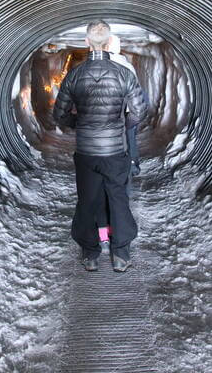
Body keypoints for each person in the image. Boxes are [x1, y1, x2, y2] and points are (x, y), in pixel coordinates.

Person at [53, 20, 147, 272]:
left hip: (86, 151)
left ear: (86, 43)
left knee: (87, 200)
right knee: (118, 198)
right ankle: (121, 254)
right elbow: (139, 111)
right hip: (115, 151)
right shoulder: (124, 74)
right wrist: (119, 124)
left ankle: (91, 254)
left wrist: (79, 122)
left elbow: (59, 114)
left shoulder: (74, 75)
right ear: (108, 43)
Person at [95, 34, 141, 253]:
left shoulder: (89, 69)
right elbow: (138, 107)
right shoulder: (127, 70)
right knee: (120, 187)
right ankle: (119, 241)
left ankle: (102, 235)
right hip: (120, 135)